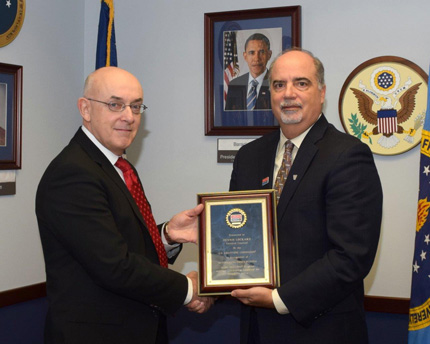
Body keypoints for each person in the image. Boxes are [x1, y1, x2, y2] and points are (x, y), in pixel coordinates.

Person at [36, 67, 213, 344]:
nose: (128, 117)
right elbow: (115, 266)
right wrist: (189, 289)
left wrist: (166, 235)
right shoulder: (72, 174)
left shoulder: (120, 166)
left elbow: (121, 243)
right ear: (85, 109)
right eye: (115, 104)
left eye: (136, 106)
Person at [229, 48, 383, 343]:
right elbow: (238, 231)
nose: (289, 94)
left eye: (301, 83)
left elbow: (351, 256)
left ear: (321, 92)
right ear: (269, 94)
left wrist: (278, 299)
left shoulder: (348, 155)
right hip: (256, 328)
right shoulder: (249, 156)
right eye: (278, 85)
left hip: (320, 330)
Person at [225, 33, 272, 112]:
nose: (256, 58)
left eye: (261, 52)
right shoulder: (234, 84)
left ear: (269, 55)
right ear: (245, 56)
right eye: (251, 53)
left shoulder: (277, 84)